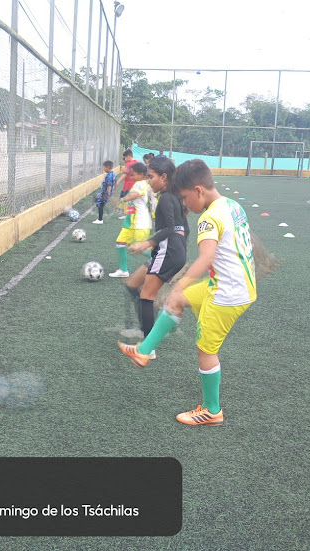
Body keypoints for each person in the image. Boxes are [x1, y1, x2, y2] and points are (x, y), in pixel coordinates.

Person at [118, 159, 257, 426]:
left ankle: (212, 410)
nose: (184, 204)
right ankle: (144, 351)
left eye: (184, 197)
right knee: (177, 301)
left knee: (206, 349)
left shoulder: (208, 218)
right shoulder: (232, 205)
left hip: (227, 292)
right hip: (233, 283)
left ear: (198, 190)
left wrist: (179, 283)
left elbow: (206, 258)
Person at [121, 156, 188, 355]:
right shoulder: (174, 196)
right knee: (132, 284)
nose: (148, 181)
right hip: (170, 251)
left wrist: (146, 243)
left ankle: (147, 348)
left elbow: (169, 228)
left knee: (146, 296)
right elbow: (184, 229)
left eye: (151, 177)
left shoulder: (167, 198)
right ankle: (153, 324)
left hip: (168, 251)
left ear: (164, 177)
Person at [109, 163, 152, 278]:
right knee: (120, 242)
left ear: (141, 174)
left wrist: (121, 199)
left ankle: (162, 264)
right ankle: (123, 270)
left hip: (140, 223)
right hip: (130, 222)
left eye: (133, 175)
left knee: (142, 248)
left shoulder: (141, 184)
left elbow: (134, 195)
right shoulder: (141, 183)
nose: (131, 177)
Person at [115, 149, 138, 219]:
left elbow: (125, 174)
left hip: (128, 185)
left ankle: (125, 214)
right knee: (132, 200)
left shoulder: (129, 164)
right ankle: (130, 213)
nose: (124, 159)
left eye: (125, 157)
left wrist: (117, 182)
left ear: (128, 156)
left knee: (124, 199)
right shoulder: (137, 162)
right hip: (134, 185)